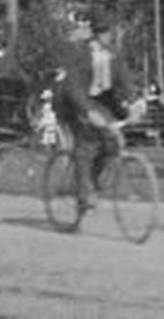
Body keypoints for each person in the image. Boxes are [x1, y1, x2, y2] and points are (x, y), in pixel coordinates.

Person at [52, 25, 136, 211]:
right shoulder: (80, 54)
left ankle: (91, 180)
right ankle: (83, 194)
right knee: (86, 144)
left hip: (99, 102)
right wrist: (88, 111)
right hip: (72, 102)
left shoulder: (113, 54)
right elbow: (73, 87)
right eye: (102, 34)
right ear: (95, 35)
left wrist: (134, 102)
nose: (106, 38)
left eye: (108, 33)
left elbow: (124, 78)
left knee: (110, 143)